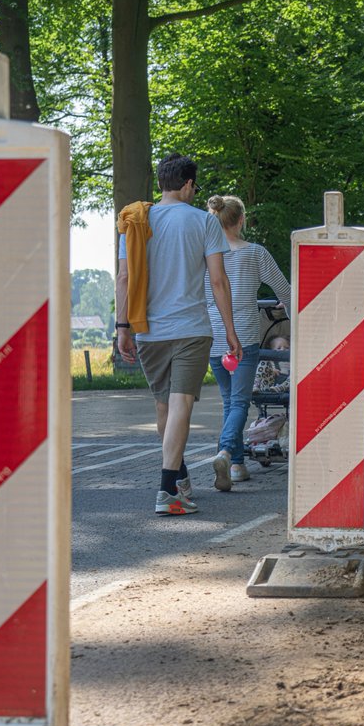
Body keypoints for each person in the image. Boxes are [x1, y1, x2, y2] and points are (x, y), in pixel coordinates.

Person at [115, 153, 240, 516]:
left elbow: (124, 278)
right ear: (187, 184)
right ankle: (168, 489)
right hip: (191, 330)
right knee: (181, 405)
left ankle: (180, 476)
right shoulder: (204, 222)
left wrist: (122, 327)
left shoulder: (136, 221)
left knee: (164, 407)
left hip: (148, 330)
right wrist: (230, 331)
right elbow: (218, 281)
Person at [204, 195, 291, 490]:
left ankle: (238, 465)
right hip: (244, 336)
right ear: (241, 220)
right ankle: (226, 452)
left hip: (213, 336)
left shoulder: (205, 255)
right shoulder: (255, 253)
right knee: (241, 401)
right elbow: (286, 290)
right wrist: (292, 314)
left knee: (229, 401)